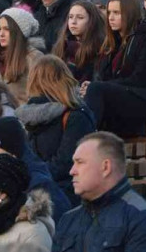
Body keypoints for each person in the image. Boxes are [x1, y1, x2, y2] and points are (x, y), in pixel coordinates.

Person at [82, 0, 146, 136]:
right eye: (109, 12)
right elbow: (105, 77)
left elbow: (140, 79)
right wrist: (91, 86)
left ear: (129, 13)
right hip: (127, 95)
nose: (110, 17)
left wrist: (102, 86)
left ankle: (86, 139)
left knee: (96, 89)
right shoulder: (113, 43)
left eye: (117, 13)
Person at [16, 56, 96, 205]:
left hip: (67, 198)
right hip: (38, 190)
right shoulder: (29, 119)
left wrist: (32, 175)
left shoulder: (74, 116)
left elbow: (66, 163)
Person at [0, 7, 44, 105]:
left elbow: (40, 96)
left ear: (19, 32)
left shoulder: (34, 57)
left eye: (7, 29)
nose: (1, 34)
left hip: (25, 115)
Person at [52, 0, 107, 83]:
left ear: (92, 21)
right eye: (70, 17)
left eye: (80, 18)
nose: (73, 22)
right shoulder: (62, 46)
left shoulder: (101, 49)